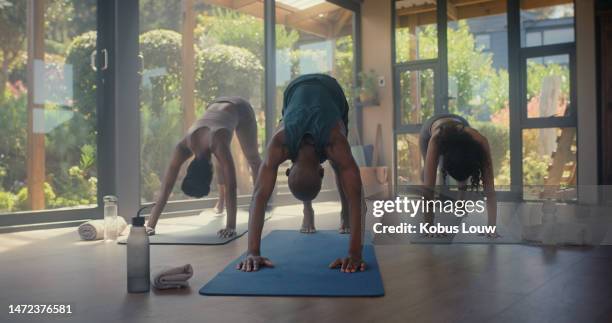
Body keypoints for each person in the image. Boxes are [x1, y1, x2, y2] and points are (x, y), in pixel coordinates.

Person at [236, 73, 366, 273]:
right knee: (342, 164)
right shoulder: (285, 141)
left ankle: (344, 213)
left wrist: (253, 252)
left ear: (287, 169)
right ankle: (309, 211)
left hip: (332, 93)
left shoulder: (328, 142)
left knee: (341, 165)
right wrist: (354, 255)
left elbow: (259, 195)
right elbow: (357, 195)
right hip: (294, 92)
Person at [146, 97, 262, 238]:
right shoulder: (182, 146)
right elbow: (166, 187)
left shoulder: (218, 143)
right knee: (222, 162)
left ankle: (259, 204)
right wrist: (150, 225)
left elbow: (232, 186)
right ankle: (221, 203)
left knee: (253, 159)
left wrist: (230, 227)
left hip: (241, 108)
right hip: (215, 105)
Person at [419, 113, 498, 238]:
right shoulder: (435, 142)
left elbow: (490, 190)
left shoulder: (480, 141)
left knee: (463, 159)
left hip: (461, 123)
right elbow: (428, 190)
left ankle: (460, 204)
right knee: (428, 176)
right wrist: (429, 227)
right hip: (430, 131)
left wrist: (491, 228)